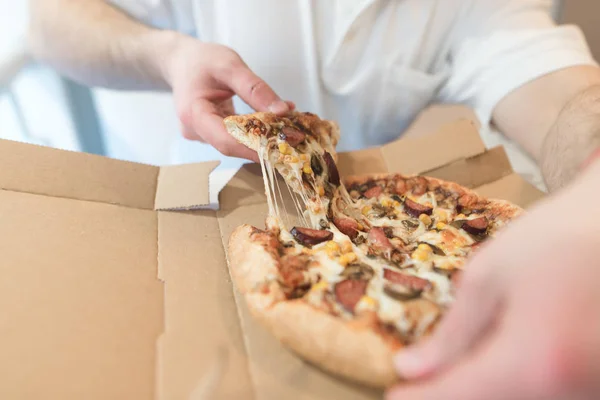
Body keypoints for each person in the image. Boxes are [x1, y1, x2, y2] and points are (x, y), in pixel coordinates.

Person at [29, 1, 600, 398]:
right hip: (166, 203)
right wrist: (165, 55)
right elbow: (51, 19)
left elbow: (564, 99)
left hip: (371, 214)